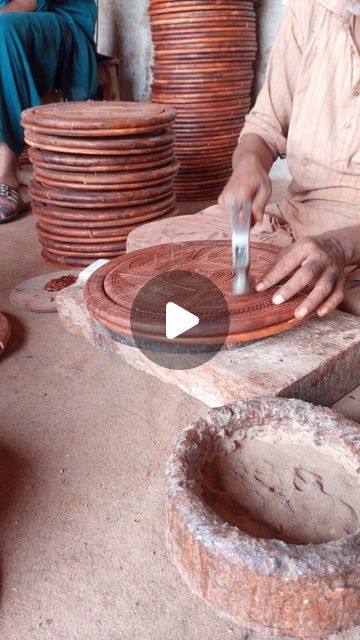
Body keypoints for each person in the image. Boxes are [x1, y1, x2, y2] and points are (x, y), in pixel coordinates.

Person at [220, 0, 360, 318]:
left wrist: (341, 245)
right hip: (296, 220)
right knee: (160, 250)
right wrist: (249, 165)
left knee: (325, 312)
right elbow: (264, 126)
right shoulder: (313, 7)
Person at [0, 0, 97, 222]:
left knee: (2, 31)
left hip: (63, 24)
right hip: (14, 23)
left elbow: (27, 3)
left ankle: (5, 176)